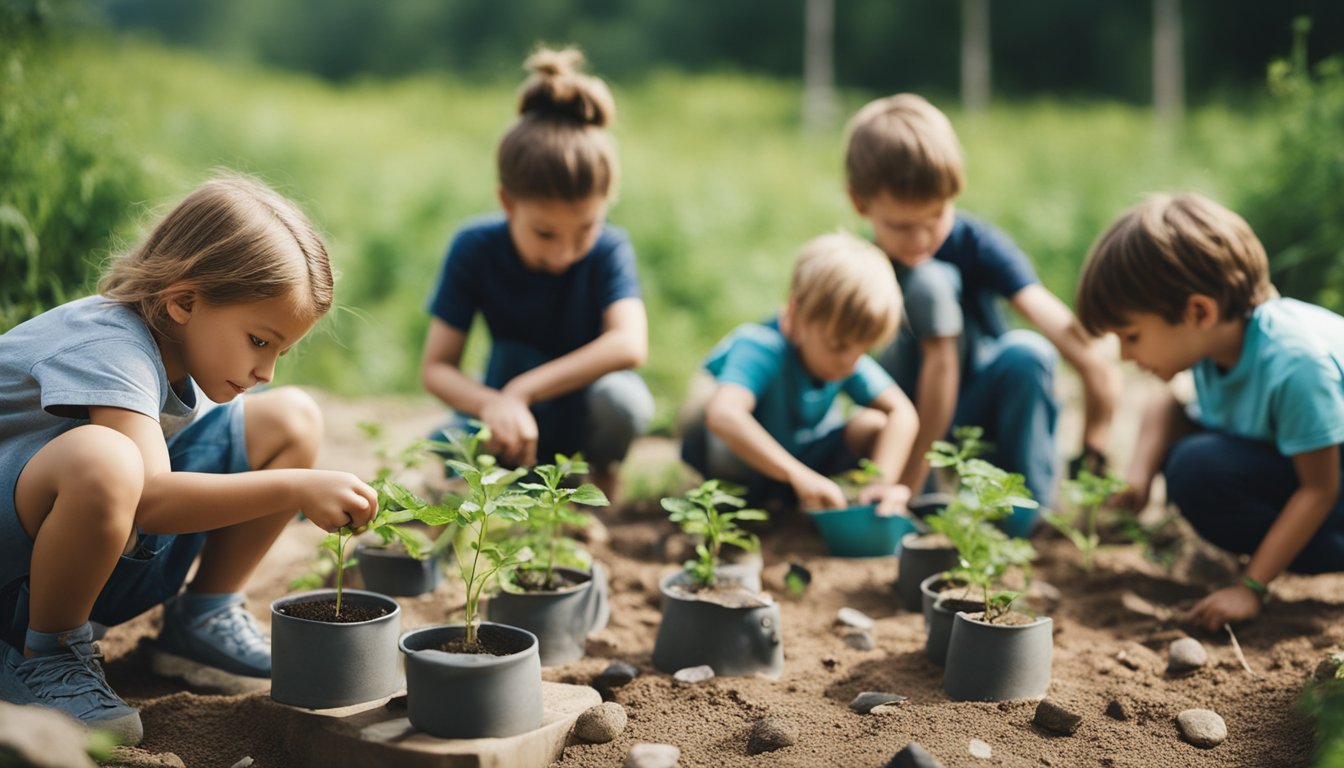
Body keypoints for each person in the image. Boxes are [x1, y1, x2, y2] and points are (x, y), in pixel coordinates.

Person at [0, 175, 379, 744]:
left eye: (281, 350)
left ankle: (202, 616)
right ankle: (45, 653)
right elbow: (151, 497)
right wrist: (296, 488)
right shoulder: (106, 344)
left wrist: (293, 474)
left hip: (74, 551)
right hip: (15, 576)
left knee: (291, 417)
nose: (266, 371)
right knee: (106, 460)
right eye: (259, 340)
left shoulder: (177, 347)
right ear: (183, 301)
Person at [843, 93, 1121, 535]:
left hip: (978, 405)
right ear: (860, 203)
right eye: (901, 226)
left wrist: (1096, 443)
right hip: (903, 415)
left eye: (935, 218)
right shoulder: (856, 264)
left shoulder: (976, 244)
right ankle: (916, 505)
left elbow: (1079, 347)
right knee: (928, 285)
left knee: (1028, 352)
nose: (920, 239)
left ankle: (1025, 516)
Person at [1076, 192, 1344, 631]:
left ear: (1198, 311)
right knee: (1189, 454)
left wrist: (1250, 587)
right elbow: (1167, 402)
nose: (1124, 354)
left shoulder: (1295, 364)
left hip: (1331, 479)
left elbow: (1319, 490)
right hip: (1310, 465)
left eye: (1131, 336)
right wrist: (1140, 474)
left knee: (1198, 468)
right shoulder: (1215, 344)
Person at [421, 47, 653, 499]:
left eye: (586, 228)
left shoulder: (609, 249)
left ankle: (598, 474)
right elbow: (436, 368)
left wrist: (523, 389)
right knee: (448, 445)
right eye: (546, 233)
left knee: (623, 401)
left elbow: (629, 343)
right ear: (508, 202)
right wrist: (496, 403)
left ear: (609, 201)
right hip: (508, 415)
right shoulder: (475, 247)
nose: (566, 252)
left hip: (579, 411)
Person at [680, 232, 919, 515]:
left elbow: (903, 413)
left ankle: (843, 502)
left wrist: (881, 480)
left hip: (797, 461)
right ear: (794, 317)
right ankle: (729, 508)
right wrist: (798, 475)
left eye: (864, 348)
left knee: (874, 424)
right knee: (720, 426)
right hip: (736, 466)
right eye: (838, 345)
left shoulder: (846, 357)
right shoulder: (762, 347)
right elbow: (723, 414)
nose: (850, 361)